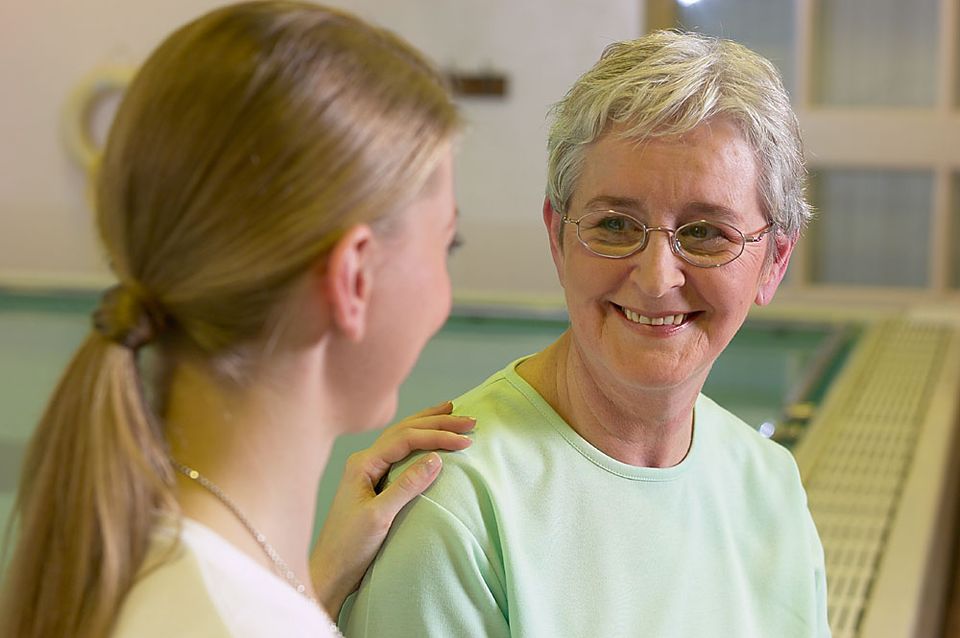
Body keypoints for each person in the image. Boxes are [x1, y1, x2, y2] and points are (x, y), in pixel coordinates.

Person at [0, 2, 473, 636]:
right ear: (354, 278)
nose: (444, 291)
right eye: (447, 244)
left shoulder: (146, 557)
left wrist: (318, 576)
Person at [343, 30, 831, 637]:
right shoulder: (458, 511)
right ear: (557, 237)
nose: (656, 279)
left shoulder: (769, 487)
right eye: (616, 225)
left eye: (706, 233)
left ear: (774, 261)